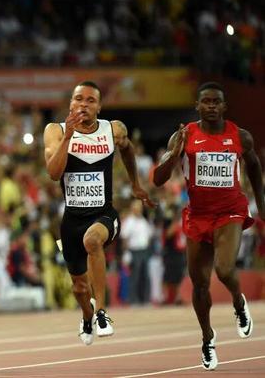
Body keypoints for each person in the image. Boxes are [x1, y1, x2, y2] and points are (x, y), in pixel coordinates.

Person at [153, 81, 263, 371]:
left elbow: (254, 166)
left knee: (224, 269)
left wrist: (261, 203)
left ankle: (238, 303)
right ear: (197, 106)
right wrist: (174, 154)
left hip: (230, 212)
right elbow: (158, 179)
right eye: (206, 101)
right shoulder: (184, 136)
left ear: (224, 106)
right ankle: (207, 338)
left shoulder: (240, 136)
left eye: (216, 102)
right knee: (200, 284)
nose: (211, 106)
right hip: (198, 216)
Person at [43, 81, 154, 345]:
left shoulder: (112, 130)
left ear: (100, 107)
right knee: (79, 287)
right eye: (78, 99)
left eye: (90, 100)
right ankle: (87, 315)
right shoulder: (55, 131)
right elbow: (53, 174)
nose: (83, 104)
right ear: (71, 104)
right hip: (71, 221)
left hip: (104, 214)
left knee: (92, 240)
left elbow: (127, 149)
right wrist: (68, 137)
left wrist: (135, 183)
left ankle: (102, 312)